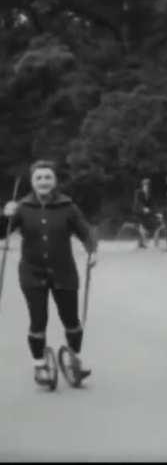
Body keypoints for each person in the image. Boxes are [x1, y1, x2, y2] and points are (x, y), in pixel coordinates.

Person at [0, 160, 97, 386]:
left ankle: (74, 359)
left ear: (55, 181)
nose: (43, 181)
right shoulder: (22, 207)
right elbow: (3, 233)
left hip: (64, 272)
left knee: (71, 320)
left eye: (48, 177)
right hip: (32, 273)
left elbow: (86, 231)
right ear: (32, 182)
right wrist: (5, 215)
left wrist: (93, 251)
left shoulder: (68, 206)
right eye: (39, 178)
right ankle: (39, 365)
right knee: (38, 320)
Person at [133, 177, 156, 248]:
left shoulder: (149, 194)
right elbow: (138, 202)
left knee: (145, 227)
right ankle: (144, 242)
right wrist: (143, 208)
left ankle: (141, 243)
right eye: (145, 185)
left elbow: (152, 204)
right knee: (142, 227)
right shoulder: (138, 192)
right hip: (138, 212)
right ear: (142, 185)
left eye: (148, 185)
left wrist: (156, 212)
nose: (147, 187)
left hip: (145, 213)